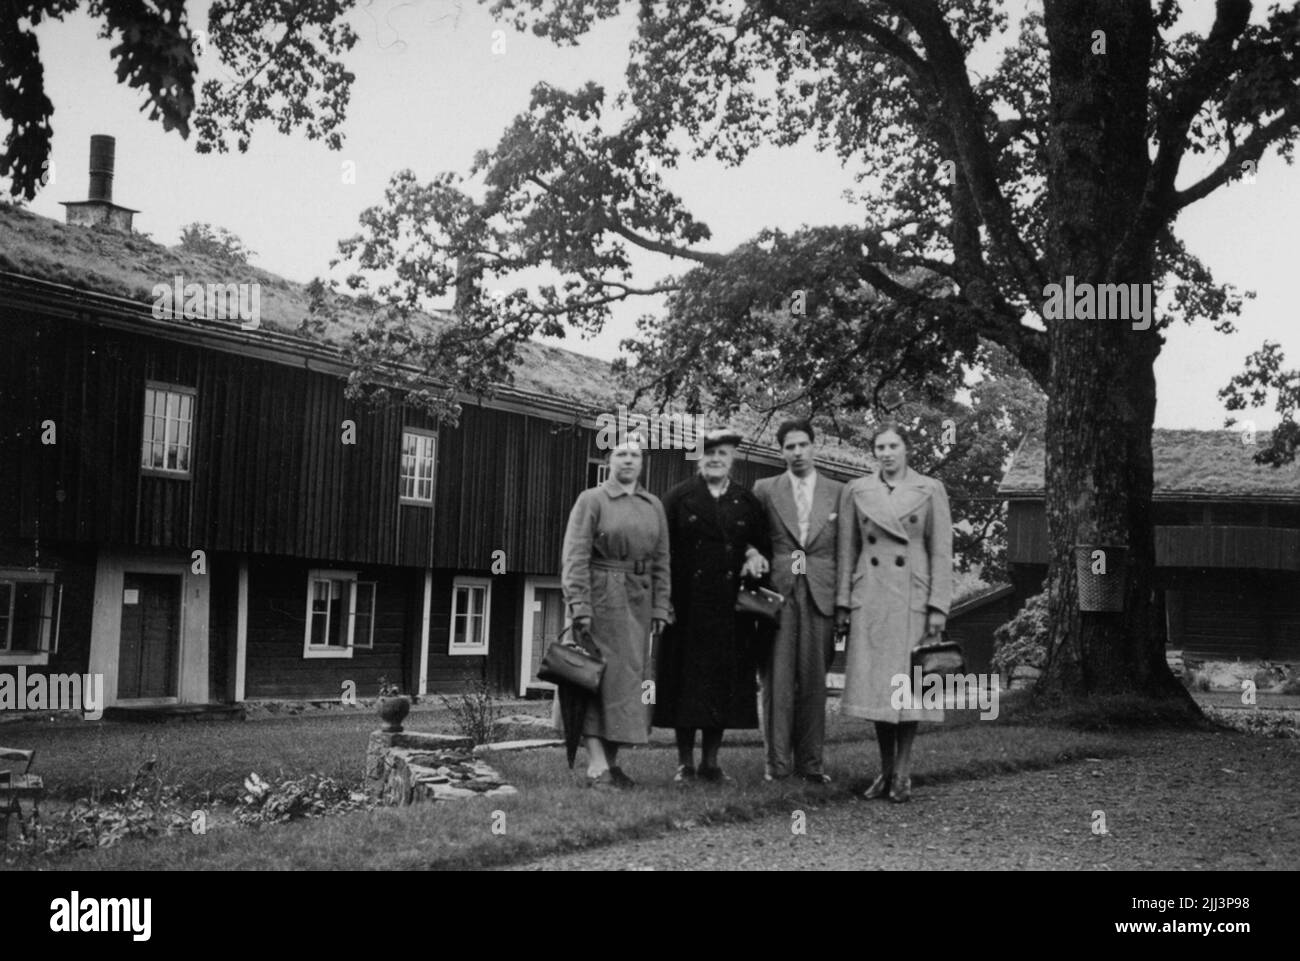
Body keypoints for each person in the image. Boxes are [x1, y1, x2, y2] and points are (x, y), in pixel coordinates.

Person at [835, 425, 952, 803]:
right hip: (871, 597)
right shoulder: (856, 490)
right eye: (880, 447)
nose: (886, 453)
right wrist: (842, 602)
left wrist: (938, 607)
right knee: (879, 692)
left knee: (912, 689)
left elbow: (941, 552)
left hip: (913, 600)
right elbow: (846, 550)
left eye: (893, 446)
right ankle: (885, 771)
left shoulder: (930, 489)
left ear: (906, 449)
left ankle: (903, 771)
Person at [653, 428, 771, 783]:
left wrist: (754, 556)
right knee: (684, 686)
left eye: (722, 453)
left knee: (722, 685)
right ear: (698, 458)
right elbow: (661, 553)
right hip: (686, 608)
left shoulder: (746, 501)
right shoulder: (677, 497)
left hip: (728, 611)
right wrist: (664, 601)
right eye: (708, 453)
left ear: (732, 457)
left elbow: (762, 545)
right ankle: (685, 763)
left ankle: (712, 762)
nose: (715, 459)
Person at [561, 433, 670, 790]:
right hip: (601, 596)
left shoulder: (653, 505)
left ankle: (612, 762)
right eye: (621, 453)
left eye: (635, 455)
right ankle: (595, 765)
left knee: (628, 683)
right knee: (596, 678)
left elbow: (661, 560)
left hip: (638, 601)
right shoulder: (592, 499)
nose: (628, 460)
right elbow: (575, 555)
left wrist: (660, 605)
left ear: (642, 462)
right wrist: (579, 604)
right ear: (610, 459)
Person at [753, 419, 843, 784]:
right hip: (779, 592)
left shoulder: (838, 492)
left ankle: (811, 764)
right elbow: (752, 536)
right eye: (790, 447)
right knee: (776, 679)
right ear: (781, 451)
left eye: (803, 445)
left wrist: (844, 604)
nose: (797, 452)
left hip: (821, 592)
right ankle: (776, 765)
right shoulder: (765, 489)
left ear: (813, 446)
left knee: (813, 679)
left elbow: (846, 549)